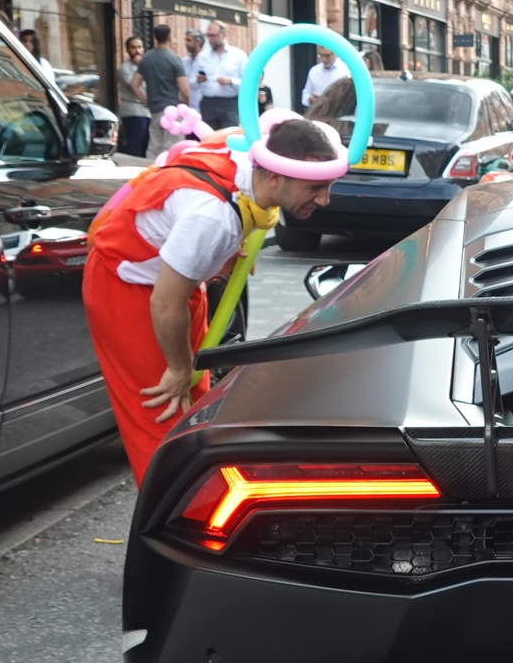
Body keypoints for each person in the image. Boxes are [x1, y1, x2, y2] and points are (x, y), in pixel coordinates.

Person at [83, 110, 344, 480]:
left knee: (196, 404)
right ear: (273, 174)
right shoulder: (212, 219)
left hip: (175, 285)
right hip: (127, 287)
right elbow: (165, 302)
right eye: (314, 188)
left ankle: (204, 502)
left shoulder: (244, 151)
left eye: (327, 186)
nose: (324, 200)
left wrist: (214, 255)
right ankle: (169, 518)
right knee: (163, 413)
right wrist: (176, 368)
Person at [137, 23, 190, 146]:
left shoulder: (146, 58)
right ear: (169, 37)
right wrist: (184, 106)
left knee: (154, 148)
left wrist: (145, 100)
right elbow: (184, 90)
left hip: (154, 110)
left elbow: (134, 84)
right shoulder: (174, 59)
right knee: (172, 148)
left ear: (155, 38)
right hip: (172, 110)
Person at [190, 21, 249, 131]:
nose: (210, 39)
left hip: (229, 104)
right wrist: (198, 80)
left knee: (229, 137)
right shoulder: (202, 56)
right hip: (208, 103)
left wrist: (231, 81)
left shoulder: (239, 56)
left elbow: (248, 83)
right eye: (208, 35)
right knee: (208, 138)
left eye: (213, 35)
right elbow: (191, 84)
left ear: (223, 35)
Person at [114, 34, 152, 160]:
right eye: (133, 47)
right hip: (133, 111)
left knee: (147, 146)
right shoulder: (125, 68)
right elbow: (135, 87)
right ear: (128, 50)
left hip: (147, 111)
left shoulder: (146, 65)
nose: (137, 50)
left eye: (139, 47)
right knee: (136, 146)